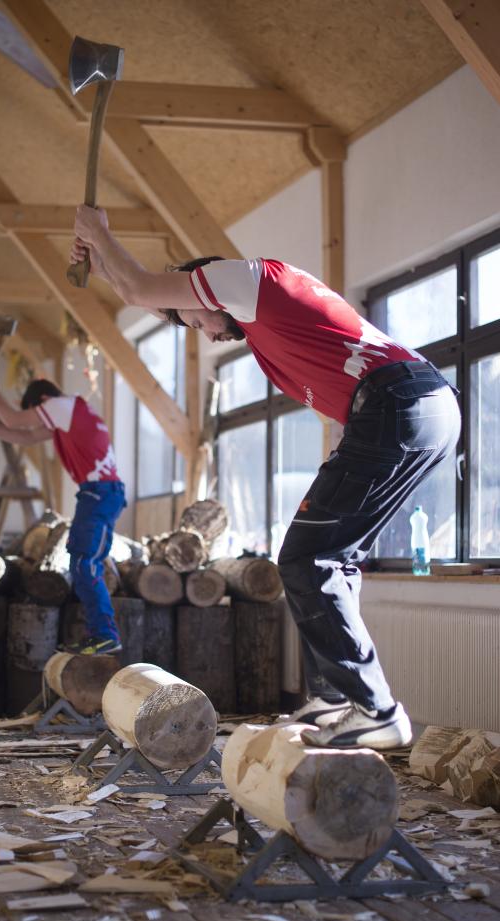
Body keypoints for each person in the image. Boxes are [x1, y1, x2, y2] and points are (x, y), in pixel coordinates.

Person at [69, 204, 462, 750]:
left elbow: (142, 289)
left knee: (305, 558)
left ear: (204, 290)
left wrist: (99, 234)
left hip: (400, 401)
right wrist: (102, 265)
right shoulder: (263, 335)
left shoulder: (249, 279)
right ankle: (335, 695)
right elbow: (145, 295)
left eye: (196, 318)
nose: (205, 334)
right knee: (328, 558)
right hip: (416, 408)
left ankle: (375, 707)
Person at [0, 375, 126, 656]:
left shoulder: (61, 405)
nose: (38, 419)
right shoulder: (68, 415)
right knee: (83, 563)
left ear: (41, 402)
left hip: (99, 493)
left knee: (84, 564)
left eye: (36, 412)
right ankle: (101, 634)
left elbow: (17, 421)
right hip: (98, 493)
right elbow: (27, 436)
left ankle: (105, 635)